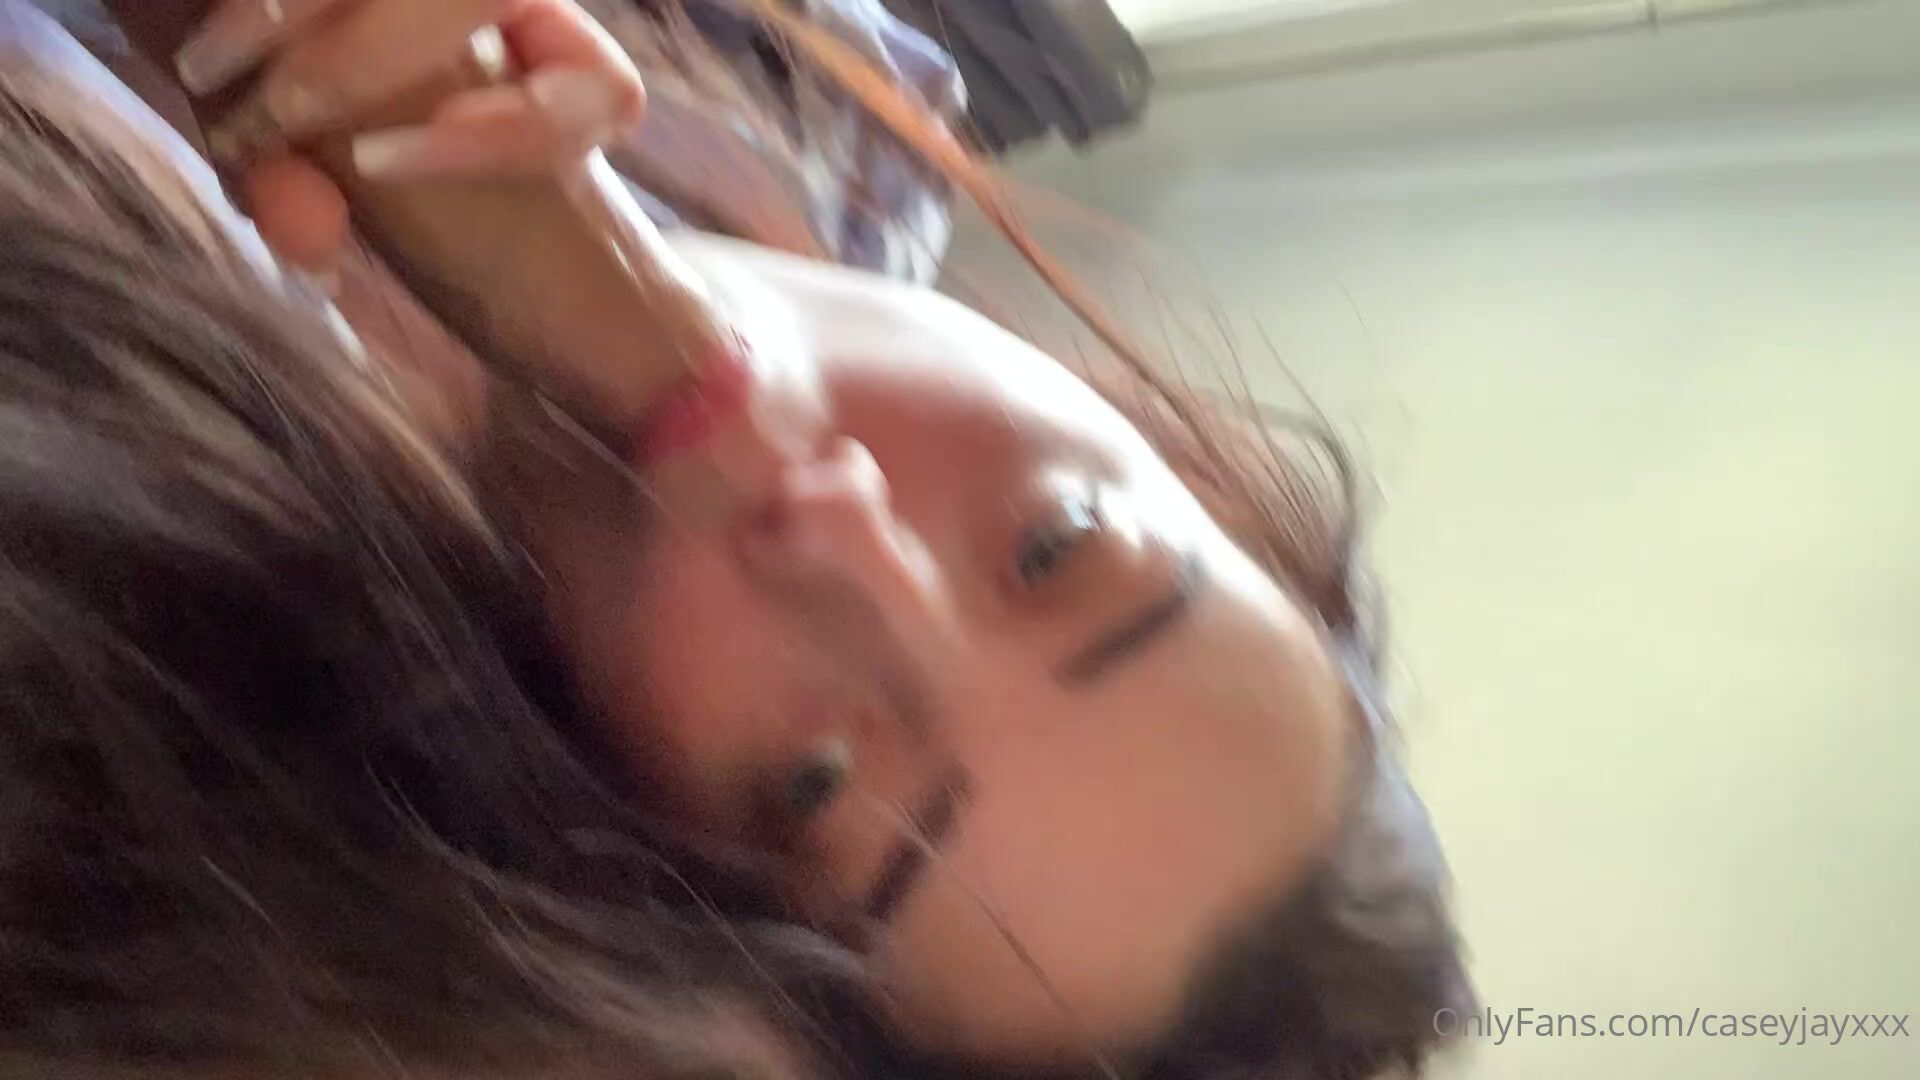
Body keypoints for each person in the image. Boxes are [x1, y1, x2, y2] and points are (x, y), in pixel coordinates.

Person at [3, 1, 1472, 1077]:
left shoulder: (117, 572)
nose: (834, 529)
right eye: (1055, 546)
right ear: (1171, 450)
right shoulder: (838, 92)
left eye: (819, 779)